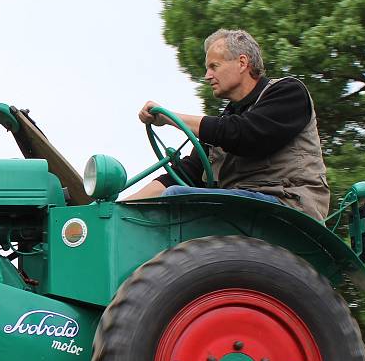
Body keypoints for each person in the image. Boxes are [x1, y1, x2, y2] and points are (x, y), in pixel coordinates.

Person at [129, 28, 330, 221]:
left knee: (177, 198)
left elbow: (244, 134)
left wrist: (172, 118)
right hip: (243, 208)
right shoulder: (223, 125)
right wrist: (117, 208)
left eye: (213, 66)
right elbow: (185, 175)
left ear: (242, 62)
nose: (207, 76)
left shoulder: (288, 93)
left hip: (288, 205)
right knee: (168, 196)